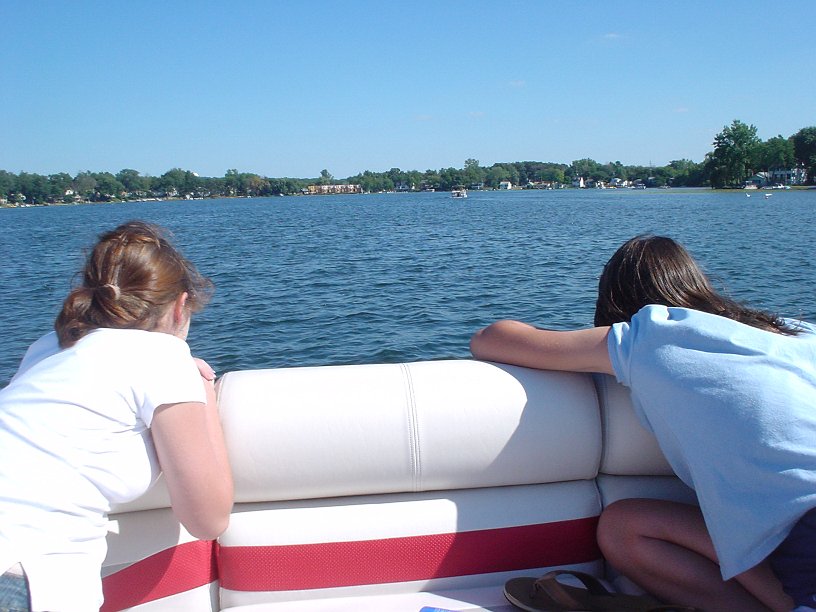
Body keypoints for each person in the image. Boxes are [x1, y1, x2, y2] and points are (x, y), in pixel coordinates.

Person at [471, 235, 816, 612]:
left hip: (806, 537)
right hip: (801, 531)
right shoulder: (797, 332)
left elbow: (491, 339)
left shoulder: (651, 334)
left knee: (623, 531)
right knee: (624, 526)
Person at [0, 221, 234, 612]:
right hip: (23, 568)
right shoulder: (164, 355)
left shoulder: (48, 347)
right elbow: (208, 518)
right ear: (180, 306)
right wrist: (203, 391)